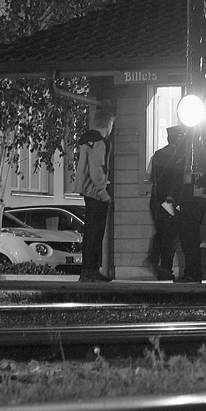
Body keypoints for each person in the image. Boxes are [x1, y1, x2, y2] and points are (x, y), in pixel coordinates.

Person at [71, 107, 114, 282]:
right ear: (108, 124)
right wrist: (104, 193)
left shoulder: (86, 141)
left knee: (90, 232)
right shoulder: (99, 142)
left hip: (86, 190)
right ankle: (91, 270)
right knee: (96, 232)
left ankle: (88, 270)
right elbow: (97, 169)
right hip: (96, 192)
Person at [147, 124, 189, 280]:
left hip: (156, 200)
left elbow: (150, 175)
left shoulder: (157, 155)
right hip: (170, 201)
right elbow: (180, 180)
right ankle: (165, 267)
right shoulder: (181, 157)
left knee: (161, 230)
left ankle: (154, 257)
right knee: (172, 233)